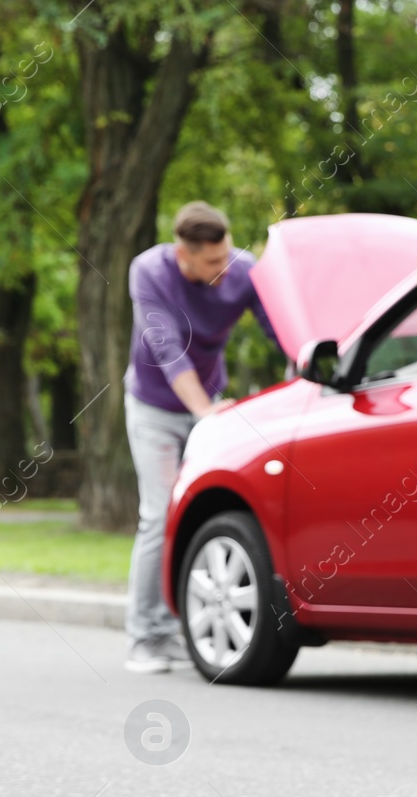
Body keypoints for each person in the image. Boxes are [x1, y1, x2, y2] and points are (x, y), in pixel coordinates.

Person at [122, 201, 280, 673]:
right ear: (182, 255)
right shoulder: (149, 271)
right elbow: (167, 348)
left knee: (208, 513)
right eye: (213, 262)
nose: (224, 268)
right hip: (156, 409)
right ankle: (145, 638)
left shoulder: (242, 270)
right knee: (159, 515)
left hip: (211, 407)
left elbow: (278, 329)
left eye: (227, 255)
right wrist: (204, 412)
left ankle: (184, 627)